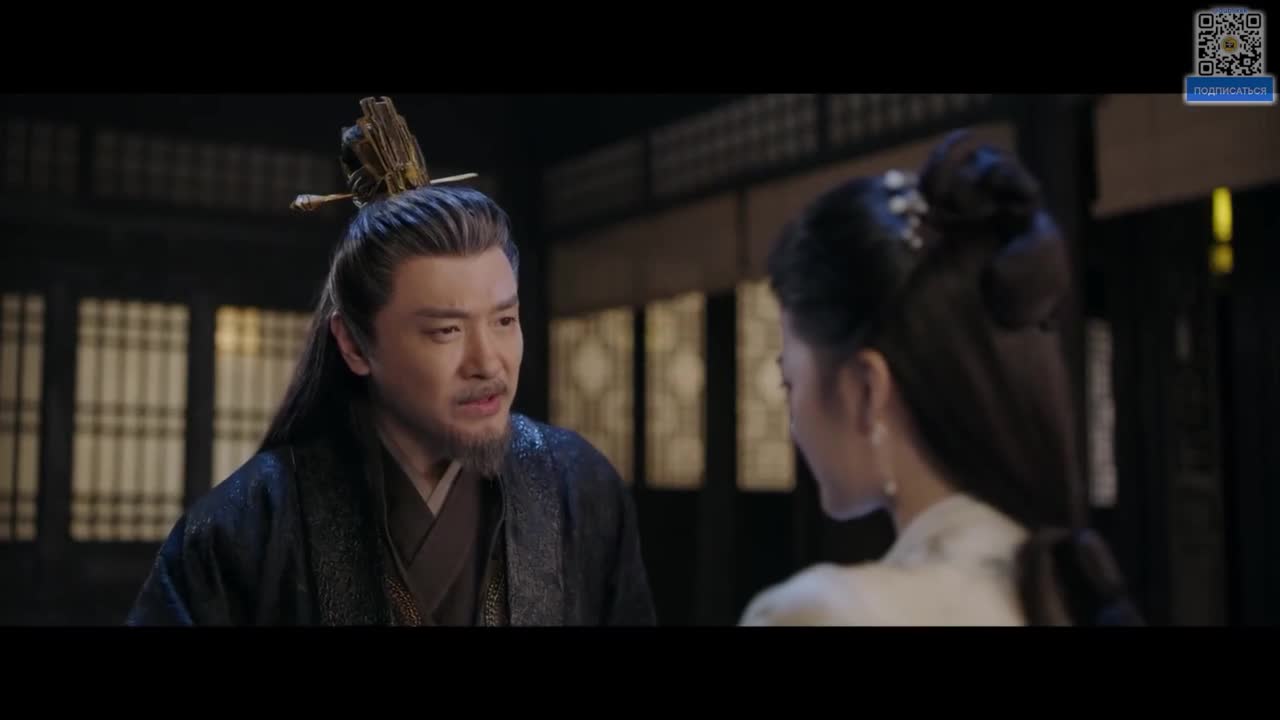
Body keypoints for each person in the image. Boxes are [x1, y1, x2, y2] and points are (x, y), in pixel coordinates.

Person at [127, 97, 655, 626]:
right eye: (446, 330)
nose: (487, 363)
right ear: (355, 345)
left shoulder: (578, 488)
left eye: (504, 320)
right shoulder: (246, 527)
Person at [739, 130, 1142, 626]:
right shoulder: (1069, 592)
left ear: (866, 390)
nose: (794, 422)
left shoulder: (824, 612)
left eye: (790, 384)